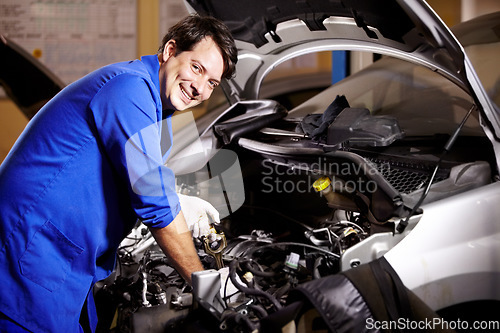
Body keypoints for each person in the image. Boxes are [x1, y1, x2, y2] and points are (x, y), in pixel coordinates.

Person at [0, 14, 237, 332]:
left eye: (212, 83)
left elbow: (130, 180)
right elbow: (154, 200)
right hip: (28, 259)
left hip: (58, 264)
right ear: (170, 50)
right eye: (197, 67)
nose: (199, 88)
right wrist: (204, 284)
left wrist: (178, 202)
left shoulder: (150, 105)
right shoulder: (130, 88)